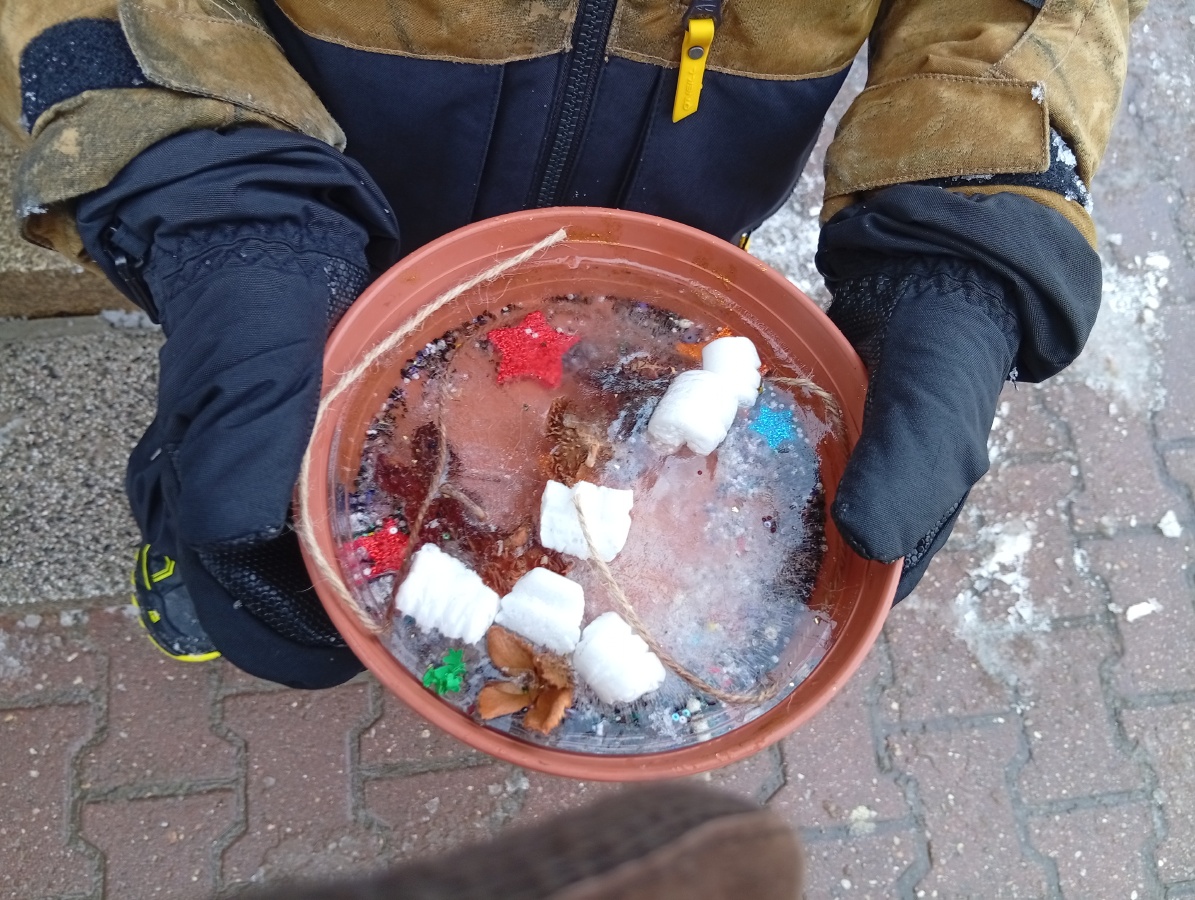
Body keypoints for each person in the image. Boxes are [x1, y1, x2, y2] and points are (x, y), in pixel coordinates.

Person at [1, 0, 1141, 687]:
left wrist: (958, 253)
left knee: (574, 486)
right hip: (327, 206)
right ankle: (195, 528)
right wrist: (222, 221)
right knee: (247, 427)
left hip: (663, 245)